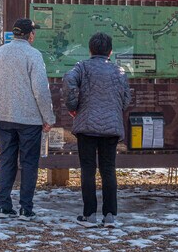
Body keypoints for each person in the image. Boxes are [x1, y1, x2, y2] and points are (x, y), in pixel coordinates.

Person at [0, 18, 56, 221]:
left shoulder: (1, 52)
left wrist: (2, 98)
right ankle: (26, 207)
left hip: (3, 115)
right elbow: (41, 91)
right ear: (30, 35)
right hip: (29, 119)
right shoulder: (33, 55)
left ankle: (4, 205)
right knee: (29, 163)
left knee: (6, 159)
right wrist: (48, 117)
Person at [63, 32, 131, 228]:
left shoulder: (82, 67)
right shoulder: (119, 71)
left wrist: (73, 106)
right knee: (108, 170)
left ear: (90, 49)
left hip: (87, 127)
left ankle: (89, 214)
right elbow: (126, 99)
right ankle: (110, 215)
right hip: (110, 129)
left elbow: (69, 81)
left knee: (88, 170)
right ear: (110, 51)